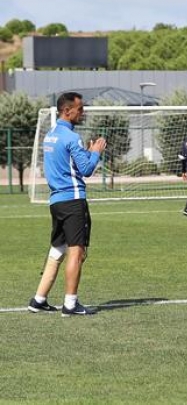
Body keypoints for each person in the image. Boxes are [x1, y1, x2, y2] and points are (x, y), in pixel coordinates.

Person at [28, 92, 106, 316]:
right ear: (67, 110)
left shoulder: (50, 135)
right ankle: (70, 304)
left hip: (56, 201)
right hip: (72, 201)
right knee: (76, 252)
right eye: (80, 109)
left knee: (57, 249)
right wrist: (95, 153)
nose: (83, 113)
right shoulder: (72, 138)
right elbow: (87, 169)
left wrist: (88, 153)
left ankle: (39, 299)